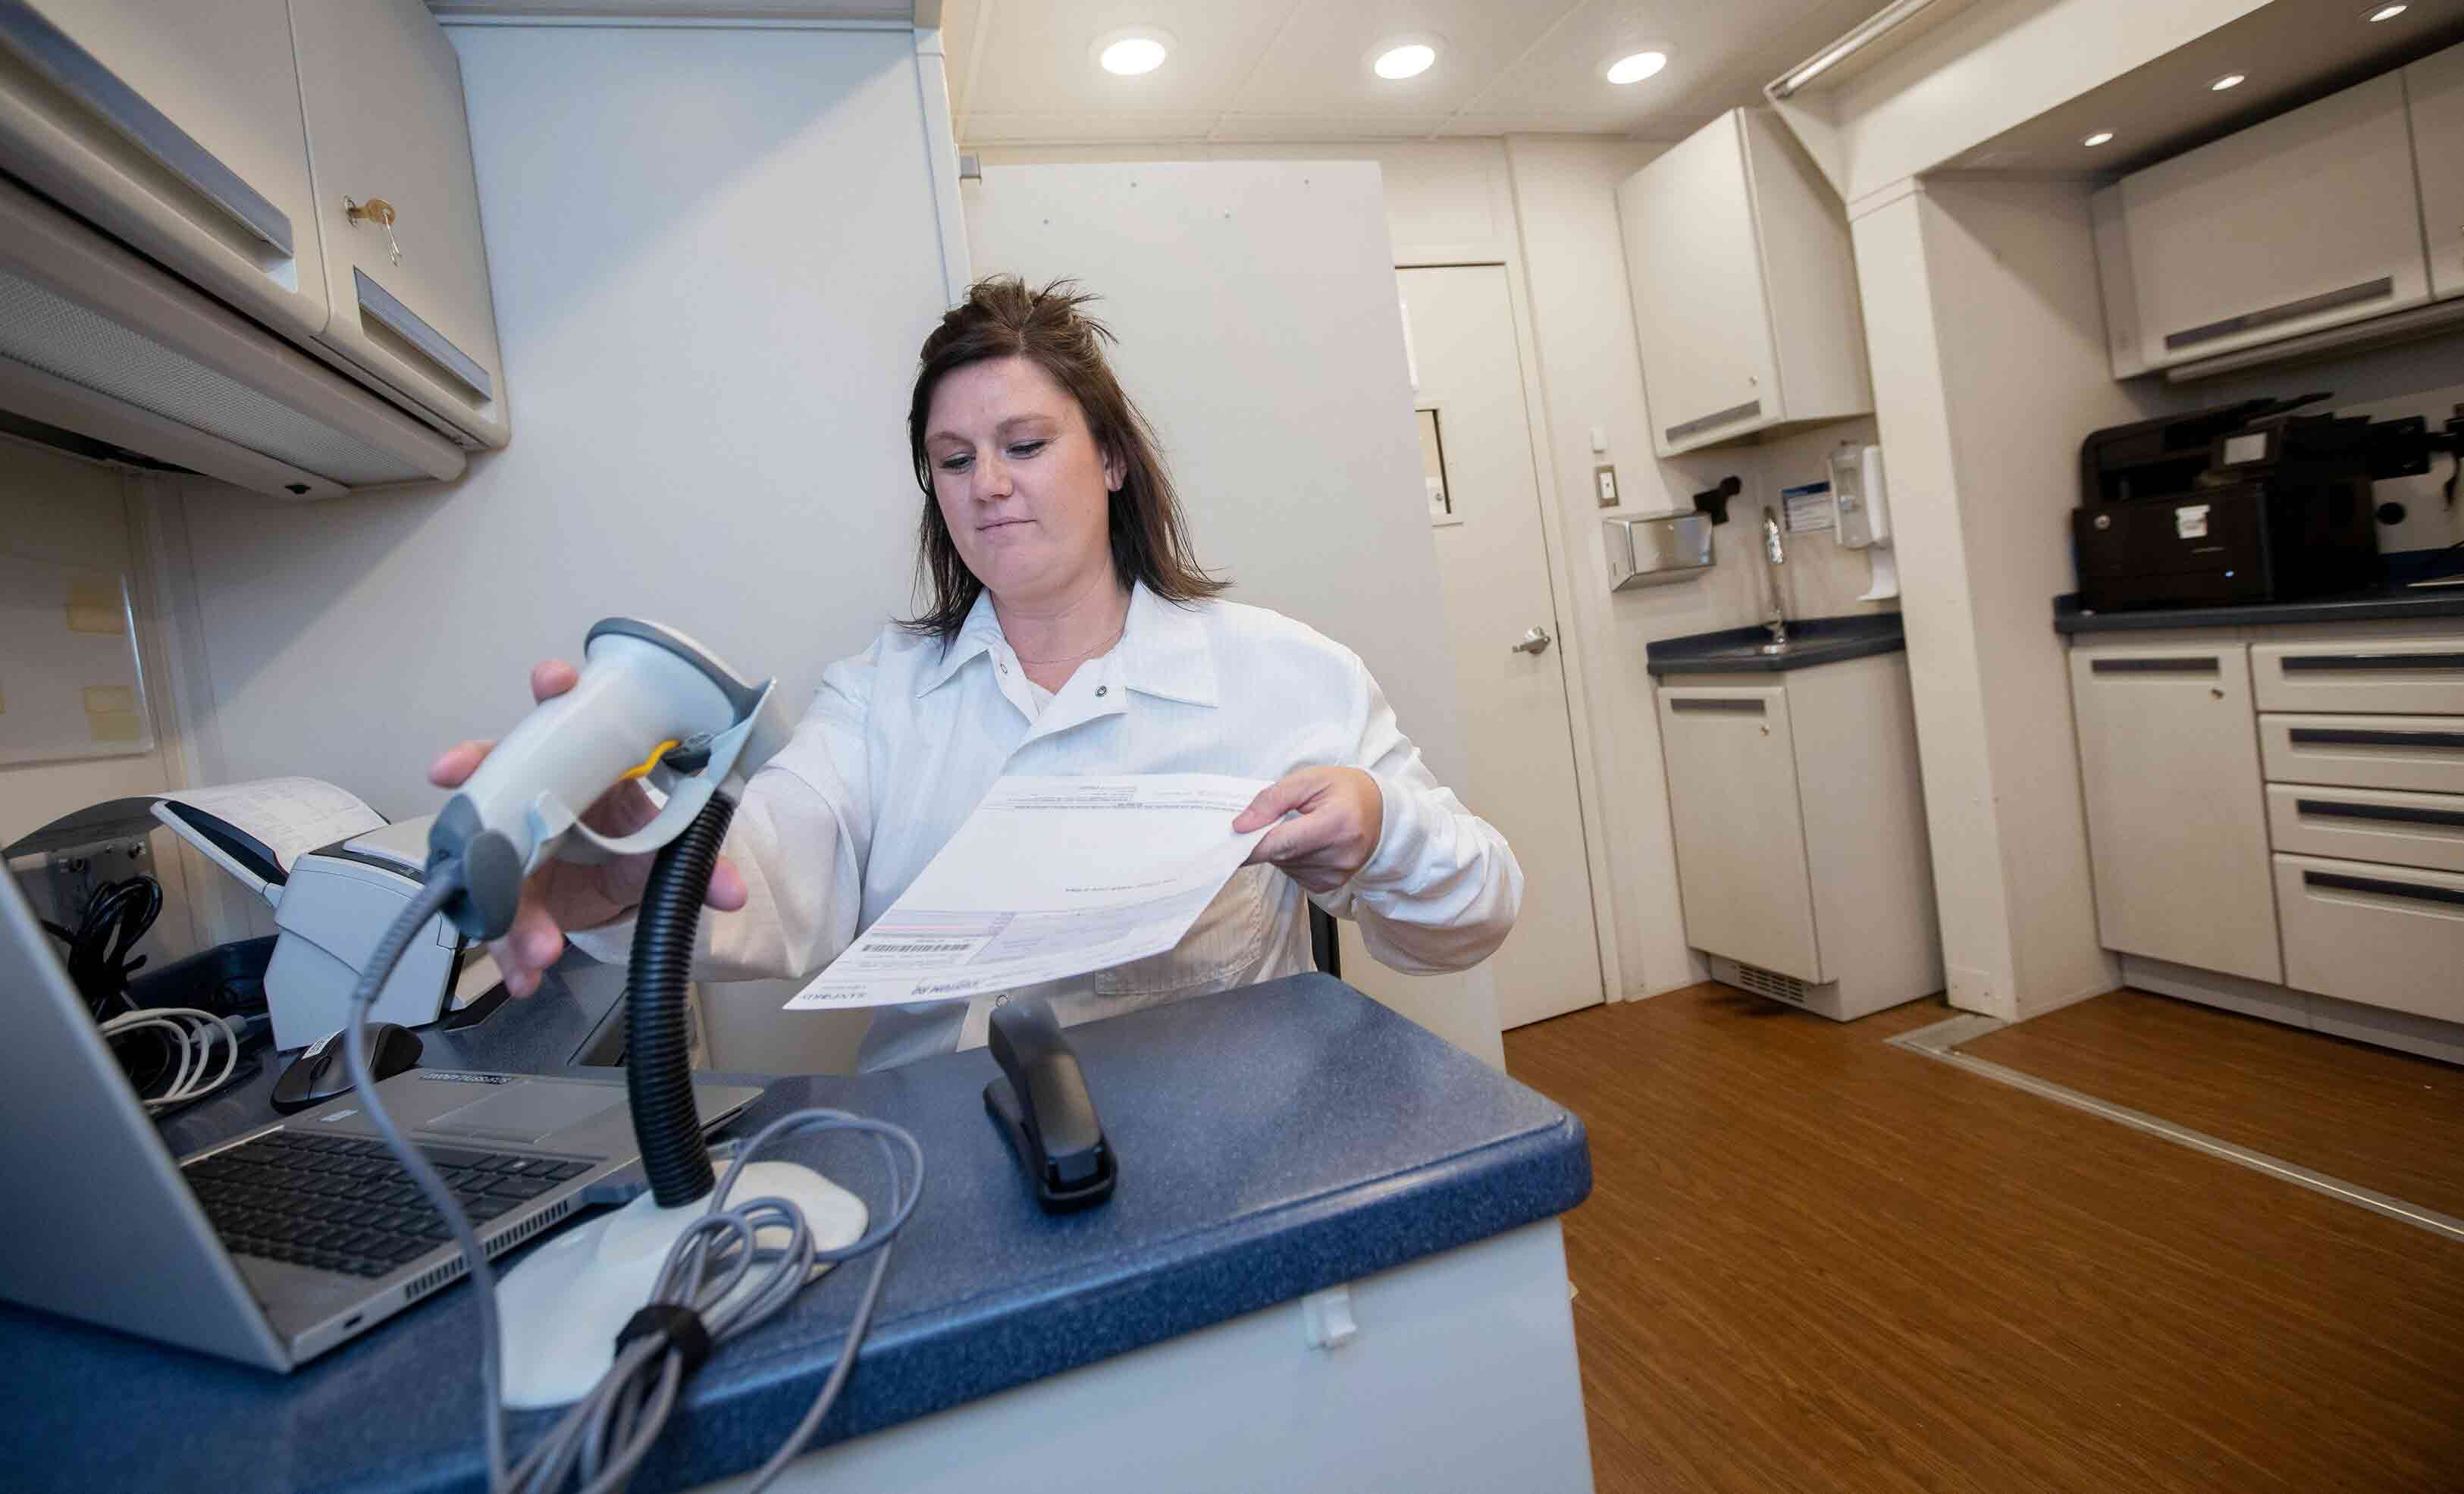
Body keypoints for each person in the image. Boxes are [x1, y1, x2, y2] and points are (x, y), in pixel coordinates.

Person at [430, 277, 1522, 1071]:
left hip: (1226, 1142)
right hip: (947, 1158)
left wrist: (1379, 823)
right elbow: (772, 863)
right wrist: (626, 871)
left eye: (1024, 445)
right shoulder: (878, 698)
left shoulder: (1284, 675)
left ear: (1108, 457)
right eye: (953, 461)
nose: (987, 485)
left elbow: (1470, 916)